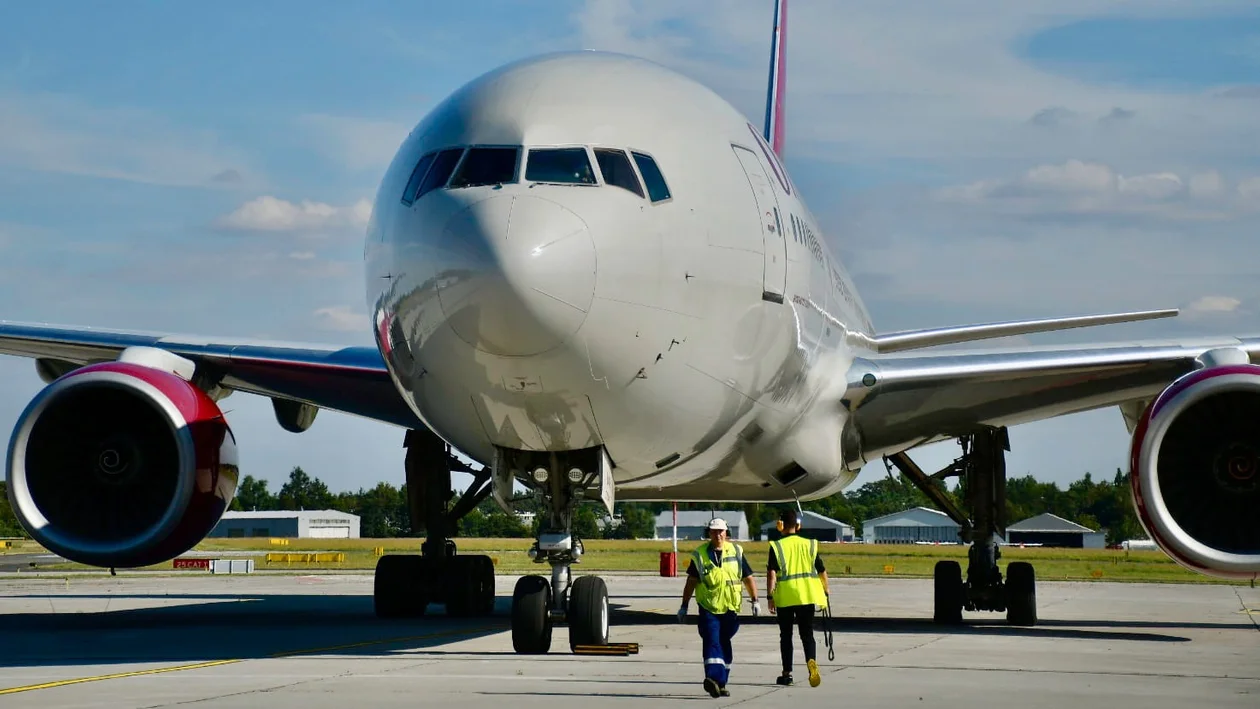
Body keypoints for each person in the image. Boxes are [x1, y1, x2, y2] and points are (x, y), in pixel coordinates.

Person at [677, 517, 761, 698]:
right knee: (712, 640)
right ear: (709, 533)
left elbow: (748, 578)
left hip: (730, 608)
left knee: (724, 643)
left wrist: (755, 600)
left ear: (726, 532)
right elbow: (691, 582)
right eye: (714, 531)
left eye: (721, 531)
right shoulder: (699, 555)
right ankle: (712, 678)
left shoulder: (736, 551)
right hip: (709, 607)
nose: (718, 535)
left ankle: (721, 682)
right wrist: (684, 605)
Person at [767, 509, 830, 688]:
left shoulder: (777, 546)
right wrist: (826, 591)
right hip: (807, 596)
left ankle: (787, 674)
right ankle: (812, 666)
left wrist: (770, 596)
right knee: (807, 634)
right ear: (798, 525)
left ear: (780, 525)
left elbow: (771, 574)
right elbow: (821, 570)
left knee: (786, 636)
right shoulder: (809, 544)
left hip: (786, 597)